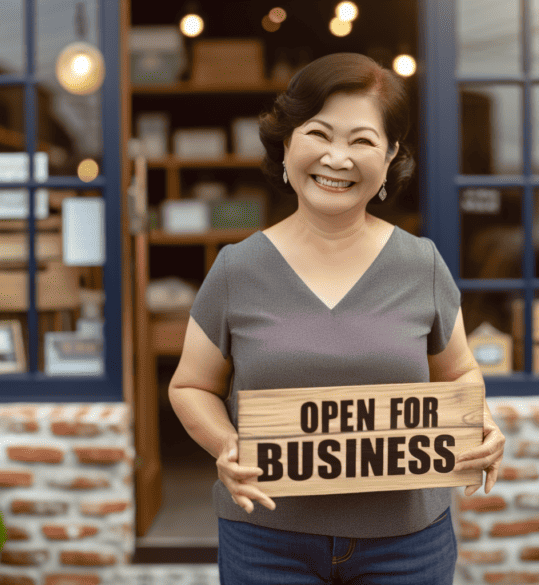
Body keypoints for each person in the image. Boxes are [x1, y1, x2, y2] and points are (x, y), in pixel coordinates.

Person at [168, 52, 506, 585]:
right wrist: (227, 445)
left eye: (362, 140)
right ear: (286, 143)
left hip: (407, 546)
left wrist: (478, 421)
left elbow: (460, 373)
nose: (338, 158)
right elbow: (191, 386)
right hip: (267, 542)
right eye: (319, 133)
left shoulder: (423, 265)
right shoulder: (237, 268)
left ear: (391, 154)